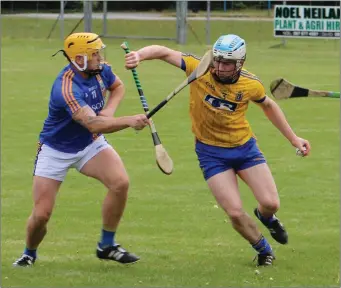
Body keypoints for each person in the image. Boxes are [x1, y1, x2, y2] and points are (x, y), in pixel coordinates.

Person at [124, 34, 311, 266]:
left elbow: (269, 106)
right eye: (218, 61)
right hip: (211, 154)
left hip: (245, 149)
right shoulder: (198, 69)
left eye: (227, 63)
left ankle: (266, 217)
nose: (220, 67)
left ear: (240, 63)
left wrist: (294, 139)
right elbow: (163, 51)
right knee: (233, 211)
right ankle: (264, 249)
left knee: (271, 202)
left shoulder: (251, 84)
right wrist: (139, 55)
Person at [13, 32, 150, 267]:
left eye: (99, 52)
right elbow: (93, 123)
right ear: (78, 59)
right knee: (41, 215)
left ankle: (106, 245)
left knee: (120, 183)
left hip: (89, 144)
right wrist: (127, 120)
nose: (100, 58)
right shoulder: (66, 88)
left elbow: (117, 87)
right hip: (55, 150)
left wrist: (109, 111)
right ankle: (29, 253)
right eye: (94, 54)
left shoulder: (101, 70)